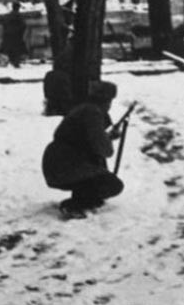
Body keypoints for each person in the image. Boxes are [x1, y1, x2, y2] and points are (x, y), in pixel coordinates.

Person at [42, 80, 126, 218]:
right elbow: (104, 149)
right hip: (64, 163)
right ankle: (75, 204)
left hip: (59, 161)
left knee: (98, 173)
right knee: (112, 184)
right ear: (106, 100)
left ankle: (84, 199)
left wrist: (107, 137)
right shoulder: (93, 112)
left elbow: (85, 139)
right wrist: (107, 140)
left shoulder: (84, 109)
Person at [0, 1, 29, 67]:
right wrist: (21, 33)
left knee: (9, 49)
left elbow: (4, 25)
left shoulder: (7, 16)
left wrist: (6, 32)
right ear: (18, 8)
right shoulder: (19, 16)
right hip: (16, 36)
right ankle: (15, 62)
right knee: (17, 50)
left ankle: (10, 61)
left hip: (8, 35)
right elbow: (23, 25)